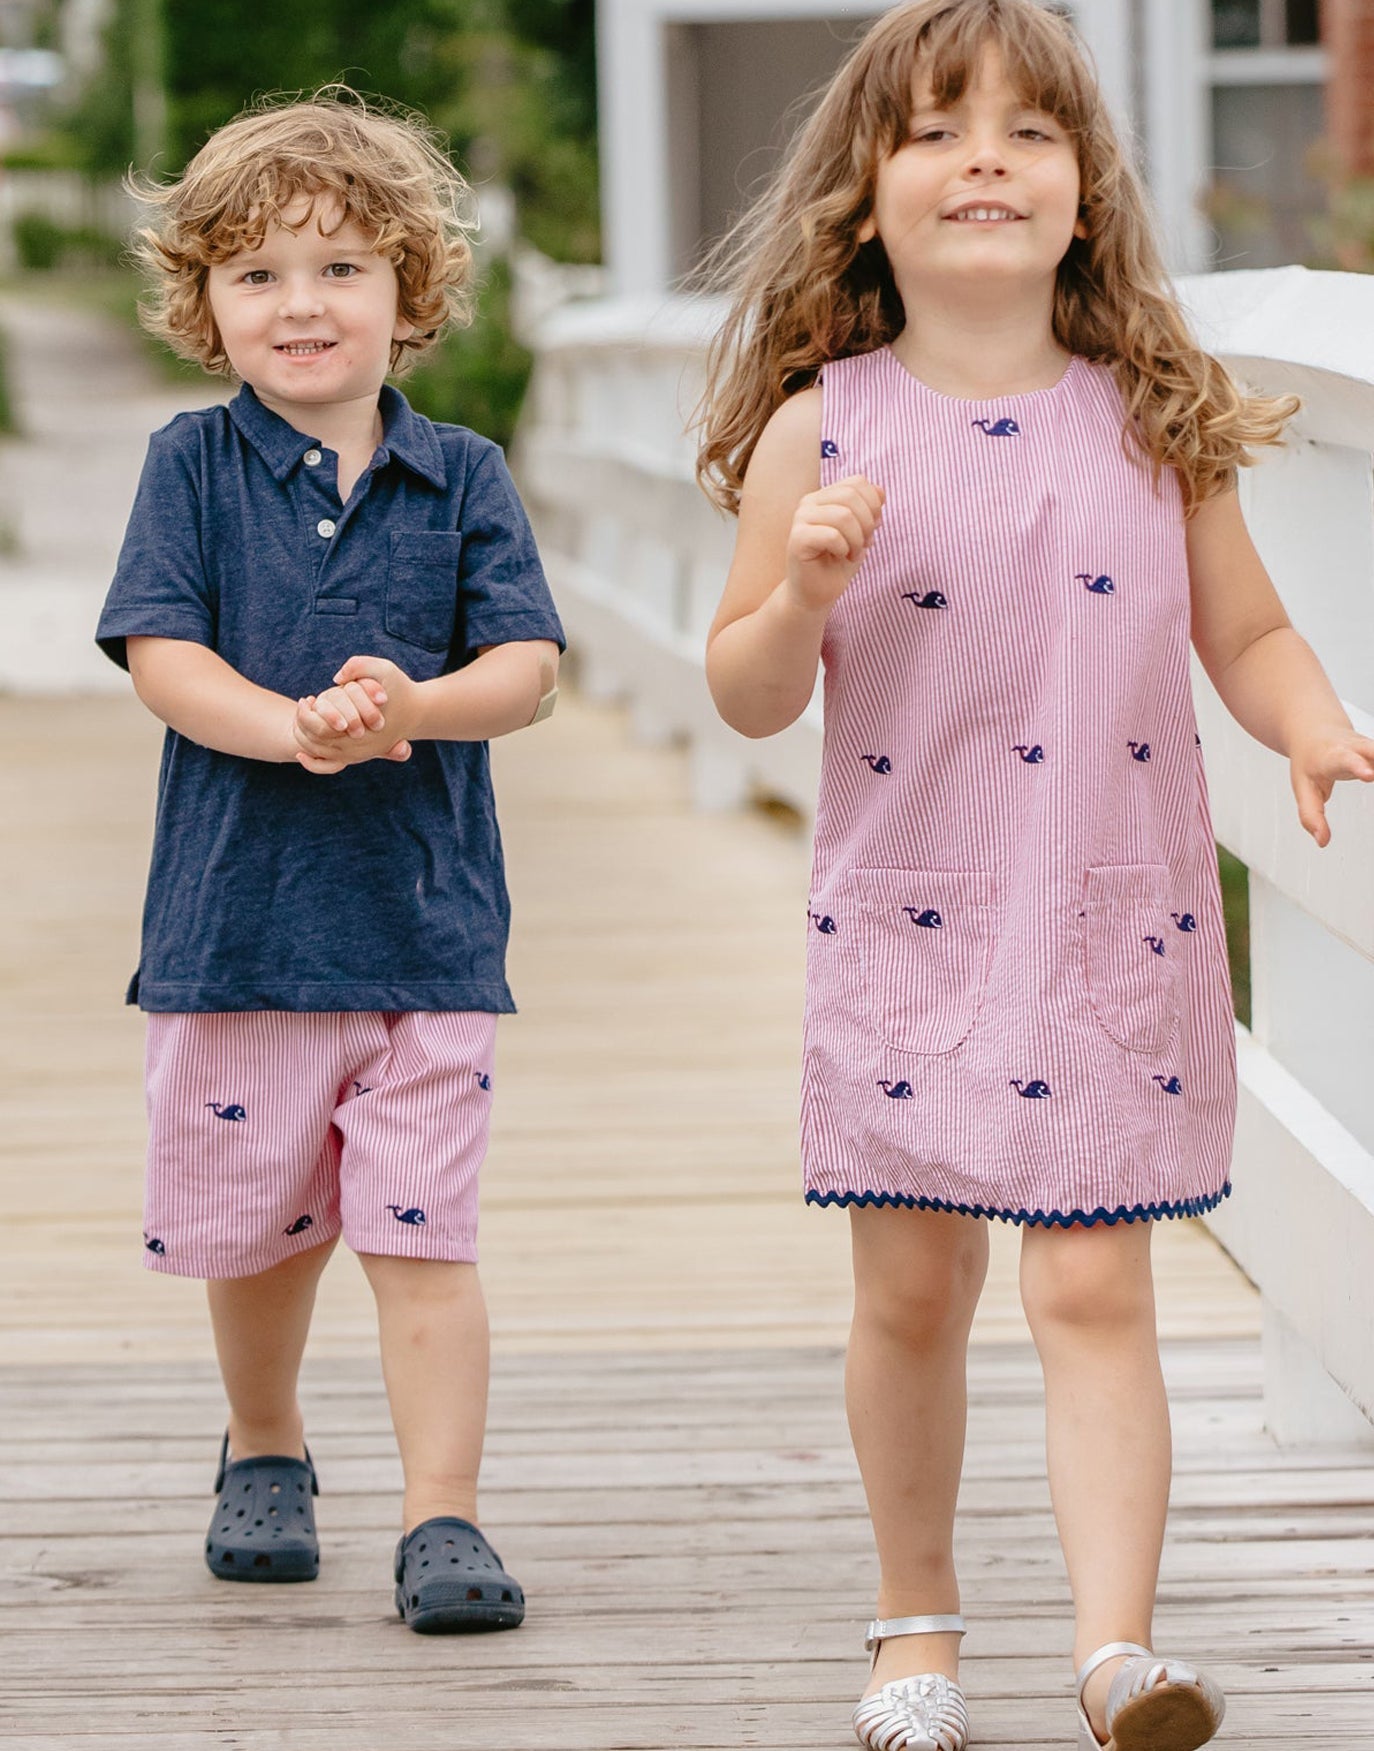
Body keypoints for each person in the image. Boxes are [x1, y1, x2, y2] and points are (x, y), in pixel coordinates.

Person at [696, 4, 1374, 1748]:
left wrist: (1308, 724)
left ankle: (1113, 1650)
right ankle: (909, 1635)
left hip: (1104, 920)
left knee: (1091, 1281)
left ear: (1086, 196)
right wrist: (802, 596)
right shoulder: (817, 431)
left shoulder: (1150, 420)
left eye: (1027, 132)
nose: (982, 156)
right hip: (910, 918)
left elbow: (1250, 627)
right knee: (910, 1287)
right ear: (862, 196)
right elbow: (750, 692)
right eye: (933, 129)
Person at [96, 91, 563, 1634]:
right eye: (258, 275)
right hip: (239, 925)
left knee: (424, 1234)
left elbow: (526, 670)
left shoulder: (464, 478)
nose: (301, 304)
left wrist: (412, 707)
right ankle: (270, 1448)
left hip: (422, 932)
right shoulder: (191, 470)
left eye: (342, 269)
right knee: (263, 1224)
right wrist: (283, 725)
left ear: (410, 294)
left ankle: (443, 1512)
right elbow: (162, 653)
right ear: (204, 305)